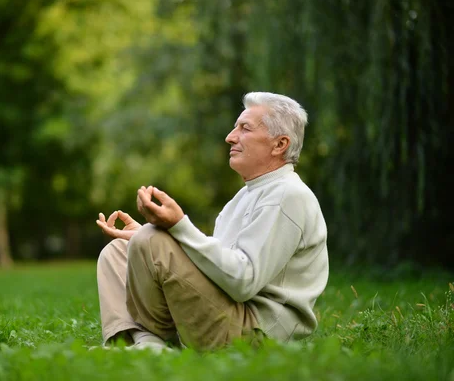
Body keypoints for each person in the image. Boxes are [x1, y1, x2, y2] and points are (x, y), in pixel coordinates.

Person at [95, 92, 329, 352]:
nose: (230, 136)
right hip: (227, 311)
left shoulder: (288, 195)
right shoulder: (244, 197)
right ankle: (139, 341)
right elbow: (218, 266)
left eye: (245, 128)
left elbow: (242, 283)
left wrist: (176, 227)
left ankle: (153, 345)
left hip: (253, 332)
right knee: (118, 251)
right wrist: (152, 241)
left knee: (150, 239)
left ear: (279, 144)